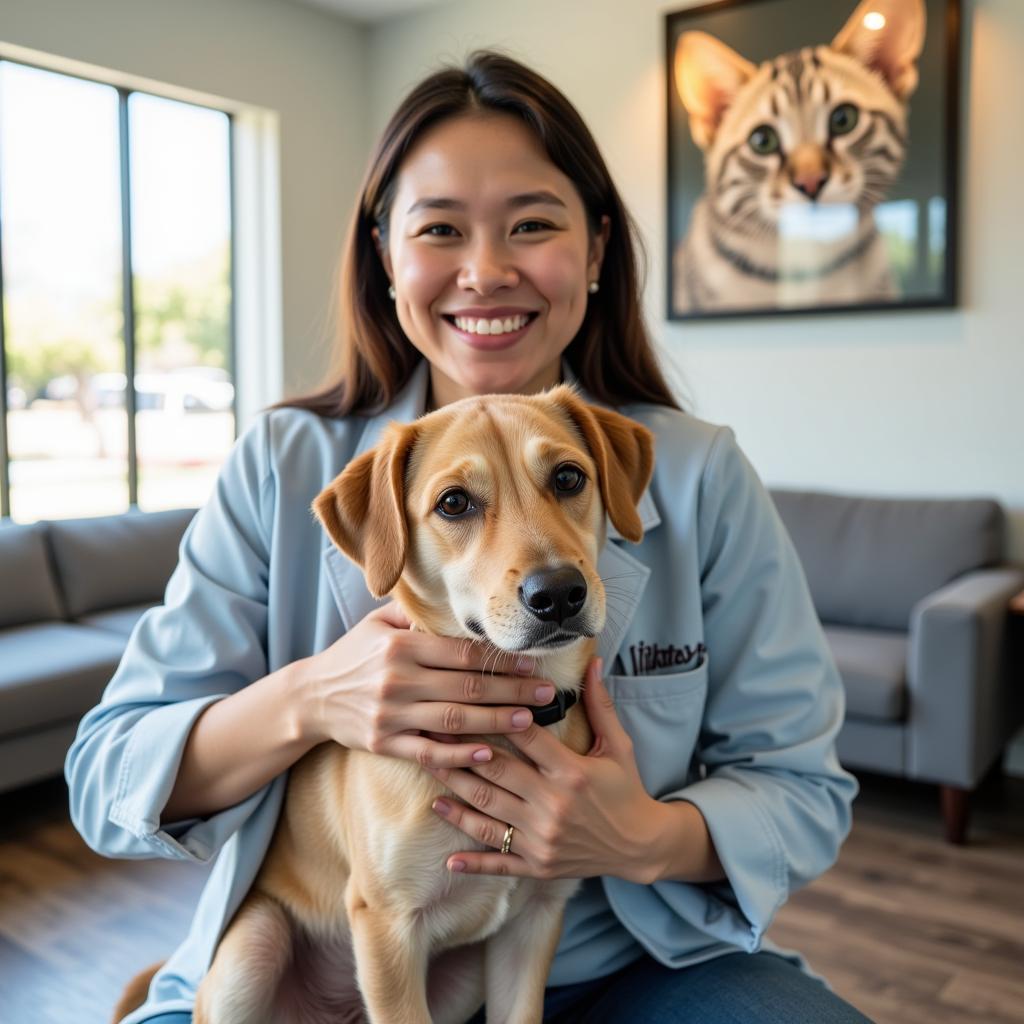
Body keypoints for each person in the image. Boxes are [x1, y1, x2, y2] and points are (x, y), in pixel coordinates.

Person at [67, 50, 868, 1024]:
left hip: (621, 962)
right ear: (385, 257)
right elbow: (107, 773)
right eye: (439, 229)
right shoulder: (285, 462)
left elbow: (803, 788)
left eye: (533, 224)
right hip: (319, 963)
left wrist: (640, 834)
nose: (486, 271)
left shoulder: (696, 470)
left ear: (598, 247)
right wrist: (316, 697)